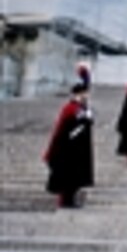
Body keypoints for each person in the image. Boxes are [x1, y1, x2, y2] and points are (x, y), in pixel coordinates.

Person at [44, 65, 95, 208]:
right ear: (78, 93)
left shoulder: (81, 108)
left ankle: (71, 199)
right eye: (85, 93)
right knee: (68, 177)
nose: (87, 95)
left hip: (78, 149)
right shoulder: (70, 109)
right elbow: (64, 130)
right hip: (68, 149)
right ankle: (65, 200)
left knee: (75, 177)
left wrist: (87, 117)